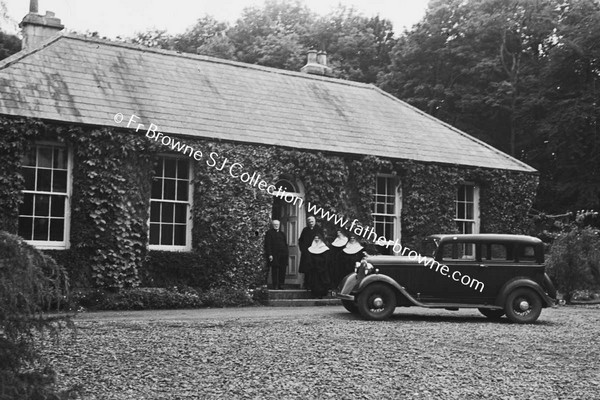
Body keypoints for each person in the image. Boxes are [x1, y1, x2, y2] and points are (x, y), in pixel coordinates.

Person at [298, 216, 323, 290]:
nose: (311, 223)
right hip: (307, 253)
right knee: (307, 270)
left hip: (316, 252)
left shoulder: (318, 230)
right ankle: (307, 284)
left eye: (312, 221)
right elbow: (301, 241)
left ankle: (314, 285)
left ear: (315, 221)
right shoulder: (305, 230)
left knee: (315, 269)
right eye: (309, 222)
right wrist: (303, 250)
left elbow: (322, 240)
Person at [264, 219, 288, 290]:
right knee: (275, 270)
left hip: (283, 254)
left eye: (277, 225)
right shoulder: (269, 233)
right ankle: (275, 285)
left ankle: (281, 284)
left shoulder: (282, 233)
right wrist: (270, 254)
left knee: (282, 270)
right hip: (274, 254)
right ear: (272, 225)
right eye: (275, 224)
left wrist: (286, 253)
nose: (276, 226)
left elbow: (285, 244)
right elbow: (267, 244)